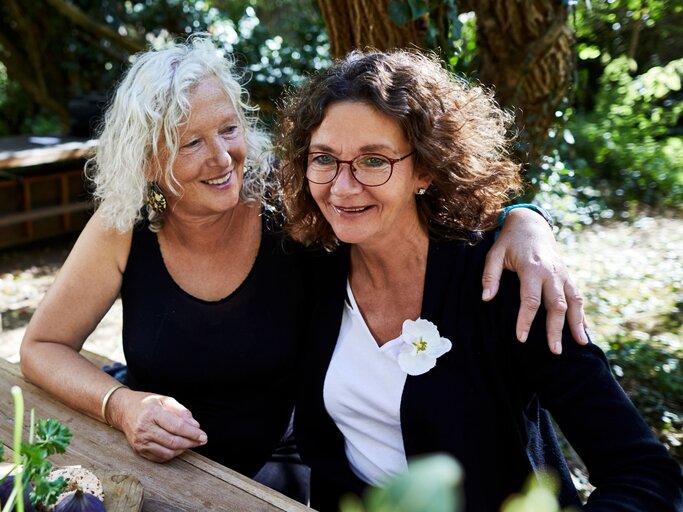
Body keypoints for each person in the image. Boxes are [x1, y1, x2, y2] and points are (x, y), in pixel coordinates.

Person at [20, 37, 582, 494]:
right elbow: (41, 346)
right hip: (159, 461)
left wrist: (525, 218)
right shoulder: (126, 225)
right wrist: (121, 404)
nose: (222, 159)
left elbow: (417, 206)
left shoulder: (291, 205)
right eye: (190, 143)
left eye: (229, 129)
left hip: (285, 467)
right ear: (147, 160)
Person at [276, 49, 683, 511]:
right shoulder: (312, 267)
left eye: (374, 161)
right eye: (324, 158)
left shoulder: (508, 288)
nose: (343, 187)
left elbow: (645, 475)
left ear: (425, 168)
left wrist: (525, 220)